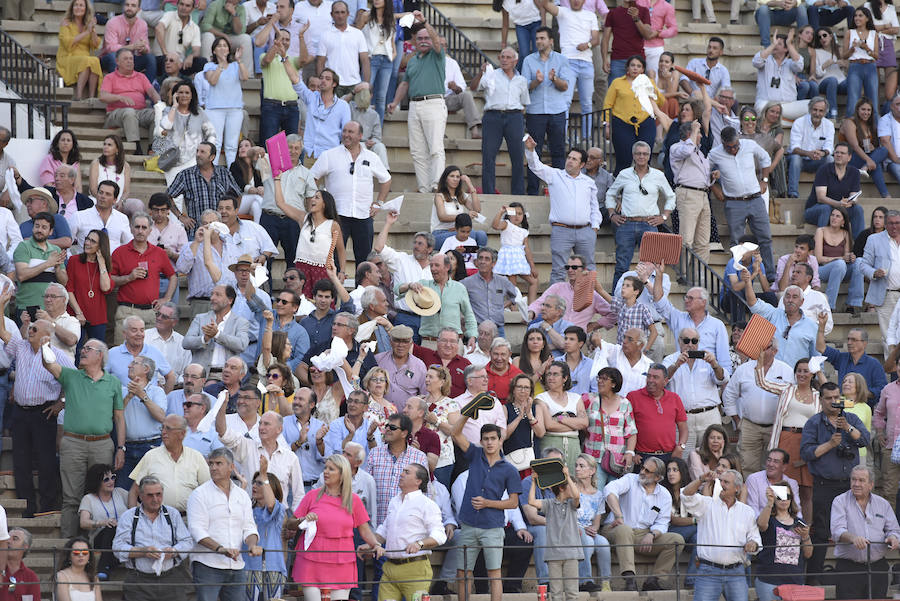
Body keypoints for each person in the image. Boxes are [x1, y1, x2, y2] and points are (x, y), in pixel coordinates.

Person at [1, 313, 74, 518]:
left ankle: (47, 507)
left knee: (46, 461)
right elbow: (2, 331)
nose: (29, 331)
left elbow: (75, 382)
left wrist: (62, 403)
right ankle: (27, 508)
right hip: (20, 412)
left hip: (44, 413)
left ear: (46, 336)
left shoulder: (59, 357)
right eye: (30, 328)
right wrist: (2, 303)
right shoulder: (22, 348)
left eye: (34, 329)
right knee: (20, 461)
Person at [800, 381, 870, 584]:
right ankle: (813, 580)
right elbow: (807, 453)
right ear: (820, 400)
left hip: (850, 486)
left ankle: (850, 578)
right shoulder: (813, 423)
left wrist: (847, 427)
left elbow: (864, 440)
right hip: (824, 484)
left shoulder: (851, 418)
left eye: (836, 398)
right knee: (821, 532)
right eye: (828, 398)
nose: (833, 402)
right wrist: (830, 444)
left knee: (852, 530)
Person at [289, 454, 383, 601]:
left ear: (342, 474)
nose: (325, 471)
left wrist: (376, 544)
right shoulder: (312, 496)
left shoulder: (354, 500)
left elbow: (364, 530)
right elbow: (290, 523)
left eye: (331, 469)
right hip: (312, 561)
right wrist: (303, 520)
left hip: (342, 562)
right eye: (325, 468)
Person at [450, 415, 521, 601]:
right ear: (481, 441)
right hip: (468, 523)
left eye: (493, 439)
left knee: (494, 574)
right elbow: (455, 433)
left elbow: (513, 503)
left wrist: (488, 503)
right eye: (486, 439)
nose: (489, 442)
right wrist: (466, 414)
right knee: (462, 573)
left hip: (493, 526)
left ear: (500, 441)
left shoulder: (510, 470)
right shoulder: (475, 454)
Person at [310, 121, 391, 266]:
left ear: (360, 136)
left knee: (364, 260)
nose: (346, 135)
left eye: (351, 132)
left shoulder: (371, 157)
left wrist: (379, 203)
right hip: (337, 215)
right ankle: (333, 288)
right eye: (345, 131)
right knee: (333, 259)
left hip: (364, 215)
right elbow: (312, 179)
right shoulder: (329, 155)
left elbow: (386, 180)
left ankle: (362, 288)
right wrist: (318, 203)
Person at [386, 14, 447, 193]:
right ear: (414, 41)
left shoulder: (437, 55)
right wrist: (395, 102)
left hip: (433, 103)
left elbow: (436, 40)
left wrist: (425, 23)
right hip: (414, 106)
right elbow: (405, 83)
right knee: (417, 151)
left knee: (435, 148)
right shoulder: (412, 60)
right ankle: (424, 187)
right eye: (419, 38)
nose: (423, 41)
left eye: (426, 37)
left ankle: (437, 184)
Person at [602, 457, 682, 591]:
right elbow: (610, 489)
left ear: (657, 477)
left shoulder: (664, 495)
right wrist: (618, 515)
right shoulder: (630, 479)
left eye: (647, 470)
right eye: (643, 467)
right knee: (625, 529)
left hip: (642, 534)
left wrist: (652, 534)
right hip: (615, 528)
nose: (642, 471)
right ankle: (630, 581)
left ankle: (654, 580)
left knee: (677, 540)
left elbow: (662, 523)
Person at [681, 469, 761, 601]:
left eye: (726, 482)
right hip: (708, 572)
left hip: (737, 572)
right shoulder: (707, 504)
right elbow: (686, 495)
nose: (721, 484)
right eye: (720, 481)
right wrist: (701, 479)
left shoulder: (747, 511)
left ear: (737, 488)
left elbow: (755, 538)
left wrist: (753, 544)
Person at [606, 140, 675, 288]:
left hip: (649, 224)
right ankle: (617, 299)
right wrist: (612, 214)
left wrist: (664, 217)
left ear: (649, 155)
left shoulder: (658, 175)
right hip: (626, 224)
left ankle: (650, 299)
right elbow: (610, 194)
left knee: (651, 267)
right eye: (638, 153)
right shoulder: (624, 174)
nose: (641, 156)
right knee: (621, 265)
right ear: (633, 155)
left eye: (645, 154)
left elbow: (671, 196)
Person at [113, 476, 193, 601]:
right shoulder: (129, 516)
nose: (155, 499)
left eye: (159, 494)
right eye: (150, 495)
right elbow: (117, 548)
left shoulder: (172, 514)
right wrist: (142, 551)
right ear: (141, 496)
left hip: (171, 578)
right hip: (138, 581)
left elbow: (187, 542)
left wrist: (173, 551)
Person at [708, 127, 775, 276]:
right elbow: (704, 171)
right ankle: (737, 275)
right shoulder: (715, 153)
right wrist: (714, 186)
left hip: (755, 198)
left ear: (738, 139)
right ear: (722, 143)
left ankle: (770, 275)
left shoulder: (749, 145)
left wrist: (764, 180)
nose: (733, 149)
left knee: (765, 237)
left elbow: (765, 159)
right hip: (734, 202)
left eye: (735, 146)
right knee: (737, 242)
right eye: (728, 147)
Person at [830, 465, 900, 599]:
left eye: (861, 480)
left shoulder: (883, 504)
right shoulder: (840, 501)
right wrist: (853, 538)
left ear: (871, 485)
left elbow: (894, 530)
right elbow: (837, 530)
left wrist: (893, 538)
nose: (856, 484)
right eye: (853, 480)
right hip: (849, 568)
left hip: (877, 567)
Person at [469, 49, 529, 195]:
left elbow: (524, 102)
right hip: (492, 116)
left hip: (514, 116)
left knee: (517, 156)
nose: (504, 60)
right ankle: (489, 192)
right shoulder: (492, 74)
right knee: (488, 155)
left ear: (515, 61)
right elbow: (474, 88)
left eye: (508, 57)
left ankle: (518, 194)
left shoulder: (521, 80)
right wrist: (481, 73)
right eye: (502, 57)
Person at [110, 213, 177, 342]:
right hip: (127, 311)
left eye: (144, 228)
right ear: (131, 229)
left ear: (150, 230)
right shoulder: (119, 252)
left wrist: (166, 298)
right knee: (122, 353)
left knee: (148, 356)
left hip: (150, 313)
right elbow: (110, 279)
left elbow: (173, 276)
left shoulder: (159, 253)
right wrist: (129, 277)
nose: (140, 231)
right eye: (137, 227)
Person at [522, 27, 572, 196]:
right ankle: (532, 192)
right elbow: (525, 87)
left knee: (558, 151)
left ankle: (558, 191)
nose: (539, 42)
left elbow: (565, 86)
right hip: (535, 112)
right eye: (537, 39)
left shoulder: (562, 60)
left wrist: (554, 79)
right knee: (533, 153)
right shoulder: (528, 60)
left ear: (551, 41)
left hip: (557, 111)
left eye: (542, 38)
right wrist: (537, 81)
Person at [527, 464, 583, 601]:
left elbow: (577, 495)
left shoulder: (572, 504)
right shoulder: (549, 504)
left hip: (571, 554)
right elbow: (531, 501)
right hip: (553, 554)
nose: (575, 488)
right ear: (562, 488)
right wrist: (534, 482)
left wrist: (568, 476)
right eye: (571, 485)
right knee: (556, 594)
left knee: (572, 593)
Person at [604, 58, 667, 176]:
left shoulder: (649, 82)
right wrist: (606, 124)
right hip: (621, 123)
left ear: (643, 69)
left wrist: (652, 85)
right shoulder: (617, 82)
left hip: (645, 123)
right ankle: (620, 190)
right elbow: (608, 104)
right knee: (624, 159)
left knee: (644, 158)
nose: (635, 68)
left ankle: (643, 188)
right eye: (632, 65)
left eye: (639, 66)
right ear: (627, 67)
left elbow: (661, 102)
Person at [166, 142, 241, 234]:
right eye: (197, 151)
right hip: (196, 232)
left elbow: (238, 194)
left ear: (212, 157)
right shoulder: (185, 175)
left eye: (202, 152)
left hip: (220, 233)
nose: (198, 154)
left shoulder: (224, 173)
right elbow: (167, 196)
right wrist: (180, 216)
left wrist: (232, 216)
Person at [99, 49, 162, 155]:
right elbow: (103, 96)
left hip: (139, 112)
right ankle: (136, 147)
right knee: (129, 112)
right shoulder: (110, 77)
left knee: (156, 113)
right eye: (125, 59)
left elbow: (152, 92)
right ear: (117, 62)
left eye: (131, 59)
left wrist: (160, 104)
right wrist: (119, 97)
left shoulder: (141, 77)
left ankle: (152, 148)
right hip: (116, 114)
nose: (129, 61)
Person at [669, 121, 715, 263]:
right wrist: (695, 131)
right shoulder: (676, 147)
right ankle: (683, 274)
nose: (700, 135)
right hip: (687, 194)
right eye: (698, 132)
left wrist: (712, 177)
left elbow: (701, 178)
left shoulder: (700, 153)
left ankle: (699, 278)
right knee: (686, 239)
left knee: (703, 241)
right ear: (690, 134)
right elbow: (687, 151)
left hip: (703, 195)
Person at [156, 80, 217, 187]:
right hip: (173, 161)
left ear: (192, 96)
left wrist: (206, 152)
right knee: (175, 199)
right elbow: (166, 126)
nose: (184, 95)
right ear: (175, 95)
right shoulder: (168, 111)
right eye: (181, 92)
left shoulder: (199, 113)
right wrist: (174, 105)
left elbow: (211, 133)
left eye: (187, 93)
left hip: (194, 160)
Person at [627, 363, 688, 467]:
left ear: (665, 381)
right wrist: (632, 452)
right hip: (642, 458)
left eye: (655, 377)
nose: (650, 380)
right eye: (648, 376)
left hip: (669, 456)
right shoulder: (633, 397)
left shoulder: (674, 398)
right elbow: (626, 428)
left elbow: (684, 428)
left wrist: (680, 447)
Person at [202, 36, 249, 167]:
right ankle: (213, 173)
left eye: (225, 45)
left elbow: (245, 77)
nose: (223, 48)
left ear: (229, 50)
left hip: (234, 109)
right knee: (215, 142)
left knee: (232, 145)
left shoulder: (235, 65)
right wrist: (221, 66)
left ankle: (232, 175)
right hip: (215, 110)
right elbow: (212, 81)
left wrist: (239, 61)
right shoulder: (209, 65)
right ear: (214, 51)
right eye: (219, 46)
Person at [858, 210, 900, 355]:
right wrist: (874, 273)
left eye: (897, 223)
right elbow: (863, 265)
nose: (894, 227)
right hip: (886, 294)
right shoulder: (874, 239)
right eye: (891, 223)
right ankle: (895, 373)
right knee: (889, 337)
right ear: (885, 224)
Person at [79, 464, 128, 579]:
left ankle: (106, 567)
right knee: (111, 528)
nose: (111, 481)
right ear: (97, 482)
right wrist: (102, 523)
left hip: (123, 536)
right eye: (106, 479)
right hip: (100, 538)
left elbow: (138, 509)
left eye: (113, 477)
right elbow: (83, 522)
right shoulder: (88, 499)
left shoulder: (120, 493)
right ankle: (103, 566)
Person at [57, 0, 102, 101]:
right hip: (67, 57)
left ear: (86, 9)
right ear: (72, 8)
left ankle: (91, 97)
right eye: (76, 5)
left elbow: (95, 45)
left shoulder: (87, 24)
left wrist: (93, 30)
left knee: (94, 60)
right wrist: (87, 32)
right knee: (87, 60)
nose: (78, 8)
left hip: (83, 58)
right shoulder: (66, 23)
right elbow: (68, 43)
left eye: (81, 5)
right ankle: (78, 96)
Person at [600, 0, 652, 83]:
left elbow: (648, 35)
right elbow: (605, 39)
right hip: (618, 60)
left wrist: (636, 18)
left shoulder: (644, 11)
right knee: (615, 93)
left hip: (637, 61)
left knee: (638, 93)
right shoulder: (613, 13)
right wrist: (604, 60)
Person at [844, 7, 880, 121]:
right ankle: (851, 128)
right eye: (855, 15)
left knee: (873, 98)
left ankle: (875, 131)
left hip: (870, 66)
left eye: (860, 15)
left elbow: (877, 56)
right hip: (855, 66)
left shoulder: (874, 34)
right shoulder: (850, 32)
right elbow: (844, 55)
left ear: (867, 18)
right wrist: (852, 49)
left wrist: (866, 48)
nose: (857, 18)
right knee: (853, 99)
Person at [154, 0, 205, 79]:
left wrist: (191, 56)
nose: (183, 8)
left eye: (187, 6)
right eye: (181, 4)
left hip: (180, 63)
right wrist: (165, 53)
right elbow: (159, 28)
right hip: (163, 59)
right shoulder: (169, 15)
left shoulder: (195, 27)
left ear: (192, 9)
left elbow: (197, 50)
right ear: (177, 5)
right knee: (169, 60)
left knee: (202, 61)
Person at [4, 528, 40, 601]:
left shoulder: (31, 577)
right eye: (7, 538)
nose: (8, 541)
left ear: (25, 546)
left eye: (15, 539)